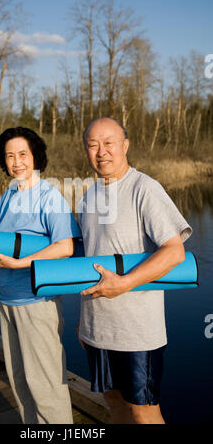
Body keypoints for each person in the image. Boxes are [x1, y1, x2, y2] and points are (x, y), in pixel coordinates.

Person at [77, 117, 192, 424]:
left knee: (143, 411)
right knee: (113, 402)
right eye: (93, 145)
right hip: (96, 327)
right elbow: (89, 257)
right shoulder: (88, 196)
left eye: (109, 143)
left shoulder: (145, 188)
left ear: (125, 146)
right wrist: (83, 323)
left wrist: (124, 283)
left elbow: (174, 251)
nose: (101, 152)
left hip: (137, 332)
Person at [0, 126, 81, 424]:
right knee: (20, 382)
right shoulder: (9, 194)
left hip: (35, 301)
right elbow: (7, 243)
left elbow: (65, 247)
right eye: (9, 156)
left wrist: (21, 263)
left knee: (46, 387)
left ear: (36, 156)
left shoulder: (49, 196)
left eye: (22, 154)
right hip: (6, 299)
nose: (16, 162)